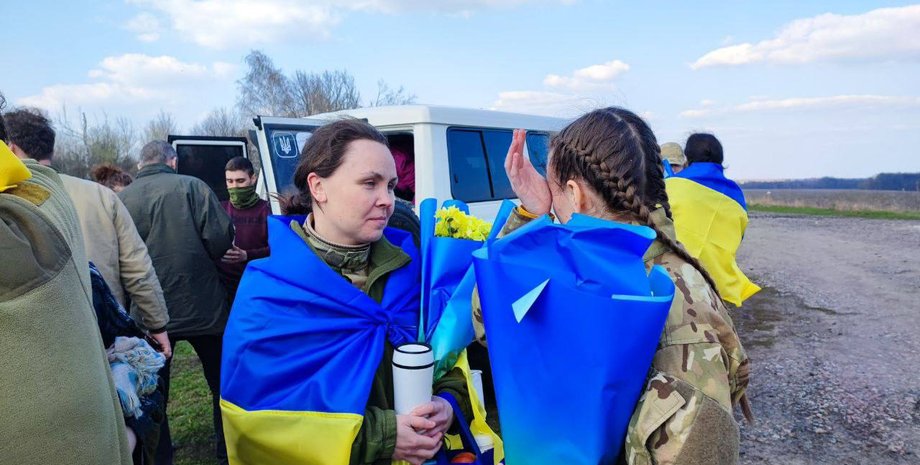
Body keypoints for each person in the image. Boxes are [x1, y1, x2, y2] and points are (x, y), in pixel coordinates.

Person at [476, 107, 750, 464]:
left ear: (576, 195)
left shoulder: (674, 309)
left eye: (553, 189)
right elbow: (491, 325)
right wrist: (535, 216)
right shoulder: (586, 263)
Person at [221, 119, 474, 465]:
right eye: (370, 183)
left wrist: (447, 403)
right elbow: (260, 422)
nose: (388, 200)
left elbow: (449, 359)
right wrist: (382, 437)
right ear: (318, 187)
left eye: (391, 186)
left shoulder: (411, 271)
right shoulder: (270, 291)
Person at [1, 132, 133, 464]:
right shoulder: (57, 191)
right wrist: (156, 322)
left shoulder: (24, 214)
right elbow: (137, 263)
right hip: (92, 333)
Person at [3, 109, 172, 358]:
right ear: (52, 151)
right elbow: (138, 269)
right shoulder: (100, 196)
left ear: (11, 148)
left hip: (30, 350)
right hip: (103, 338)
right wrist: (157, 324)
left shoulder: (7, 202)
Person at [119, 140, 234, 465]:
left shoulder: (121, 199)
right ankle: (226, 451)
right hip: (204, 306)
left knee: (153, 392)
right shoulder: (192, 187)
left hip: (150, 312)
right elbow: (220, 238)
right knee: (221, 383)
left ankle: (160, 456)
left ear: (141, 164)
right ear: (172, 161)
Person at [665, 133, 761, 306]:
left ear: (688, 158)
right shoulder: (736, 195)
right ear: (720, 158)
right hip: (720, 283)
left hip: (678, 277)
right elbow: (739, 235)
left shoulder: (671, 186)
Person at [219, 156, 271, 304]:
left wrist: (247, 255)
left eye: (240, 181)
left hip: (257, 286)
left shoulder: (267, 210)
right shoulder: (218, 209)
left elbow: (278, 249)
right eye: (230, 181)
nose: (235, 186)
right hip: (224, 289)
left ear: (253, 179)